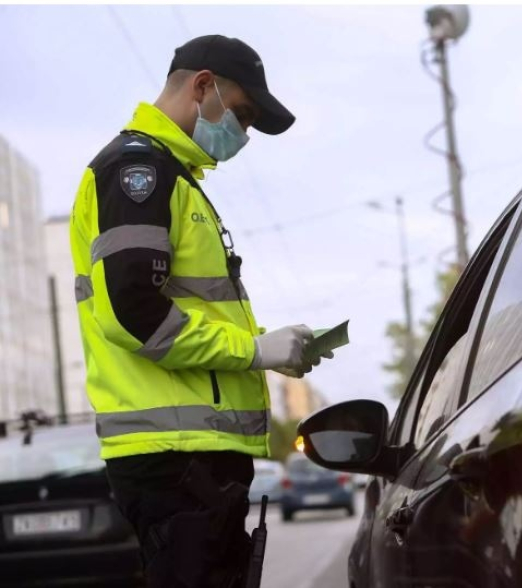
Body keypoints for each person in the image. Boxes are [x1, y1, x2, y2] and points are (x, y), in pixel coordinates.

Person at [69, 35, 329, 587]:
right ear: (203, 86)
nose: (245, 134)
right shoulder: (137, 173)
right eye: (243, 115)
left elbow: (187, 308)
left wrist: (266, 348)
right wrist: (253, 351)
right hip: (174, 460)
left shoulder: (172, 177)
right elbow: (133, 312)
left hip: (189, 460)